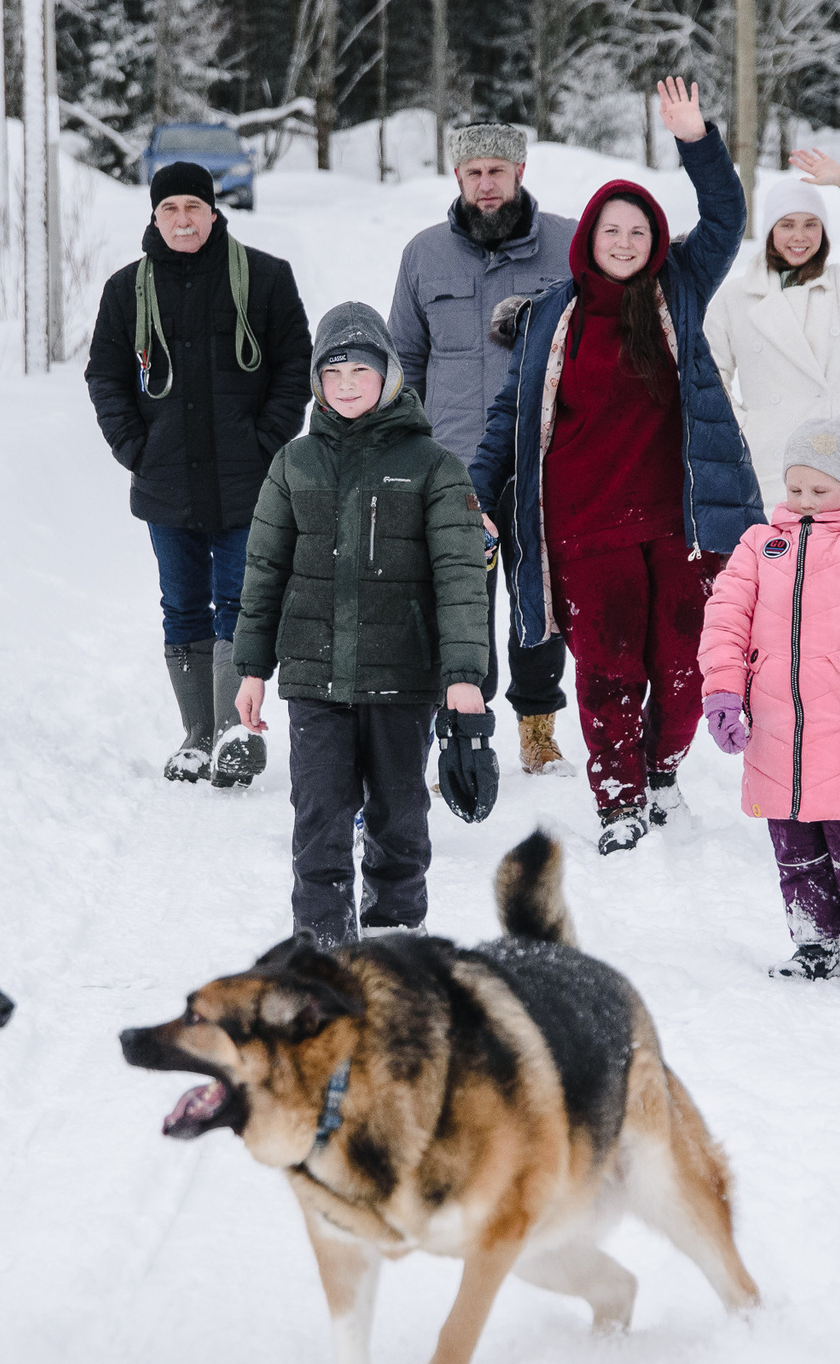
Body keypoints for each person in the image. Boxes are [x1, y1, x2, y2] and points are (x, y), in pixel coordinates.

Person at [468, 77, 763, 855]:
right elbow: (509, 417)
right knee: (607, 669)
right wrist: (477, 491)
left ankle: (661, 772)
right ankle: (620, 798)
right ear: (589, 239)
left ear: (655, 240)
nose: (625, 242)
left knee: (687, 666)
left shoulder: (680, 289)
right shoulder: (550, 316)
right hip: (585, 525)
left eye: (638, 231)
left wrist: (696, 140)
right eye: (612, 230)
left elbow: (726, 219)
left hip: (677, 518)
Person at [230, 304, 492, 948]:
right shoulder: (293, 465)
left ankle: (397, 941)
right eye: (334, 372)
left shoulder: (435, 466)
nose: (347, 384)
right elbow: (264, 570)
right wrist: (252, 668)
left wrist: (463, 677)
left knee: (400, 818)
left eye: (361, 371)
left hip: (403, 678)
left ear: (390, 375)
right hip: (314, 678)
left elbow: (461, 578)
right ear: (317, 381)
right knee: (318, 820)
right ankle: (322, 948)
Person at [85, 161, 312, 789]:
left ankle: (234, 733)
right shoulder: (126, 290)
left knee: (242, 604)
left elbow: (296, 363)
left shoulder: (265, 278)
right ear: (154, 216)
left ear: (214, 212)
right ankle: (198, 735)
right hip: (165, 481)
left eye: (193, 207)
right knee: (182, 605)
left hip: (248, 482)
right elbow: (105, 375)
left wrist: (266, 443)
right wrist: (135, 447)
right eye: (170, 209)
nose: (182, 219)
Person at [698, 418, 840, 985]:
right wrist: (723, 690)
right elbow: (725, 619)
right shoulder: (758, 544)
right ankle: (815, 944)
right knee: (793, 842)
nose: (804, 501)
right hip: (775, 727)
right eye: (795, 488)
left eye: (819, 490)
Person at [386, 122, 577, 778]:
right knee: (461, 601)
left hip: (544, 460)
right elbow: (404, 360)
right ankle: (465, 724)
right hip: (454, 465)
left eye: (498, 171)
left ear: (520, 173)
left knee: (538, 597)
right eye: (475, 173)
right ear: (458, 178)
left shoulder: (569, 245)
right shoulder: (424, 255)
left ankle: (537, 729)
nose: (486, 184)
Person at [702, 148, 840, 506]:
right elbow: (711, 378)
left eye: (811, 224)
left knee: (838, 543)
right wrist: (746, 428)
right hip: (770, 464)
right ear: (770, 230)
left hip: (836, 461)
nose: (799, 236)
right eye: (787, 224)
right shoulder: (735, 298)